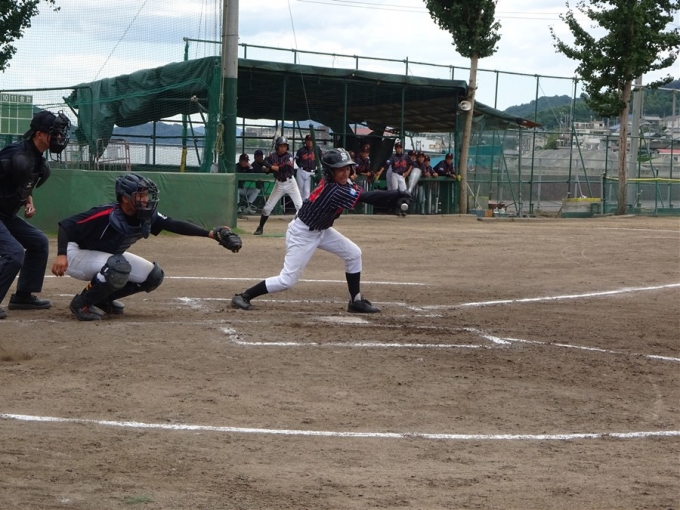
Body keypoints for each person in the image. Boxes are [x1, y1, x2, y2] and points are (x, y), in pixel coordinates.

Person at [230, 148, 411, 314]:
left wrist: (394, 200)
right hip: (302, 233)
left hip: (321, 230)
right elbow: (366, 197)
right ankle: (244, 296)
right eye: (340, 170)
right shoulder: (333, 190)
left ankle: (356, 301)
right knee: (287, 281)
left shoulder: (343, 183)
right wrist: (397, 194)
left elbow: (365, 194)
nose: (345, 173)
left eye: (347, 168)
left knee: (353, 254)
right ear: (330, 172)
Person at [51, 173, 240, 321]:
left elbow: (173, 224)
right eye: (140, 195)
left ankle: (102, 299)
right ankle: (81, 303)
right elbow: (66, 226)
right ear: (125, 198)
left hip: (105, 257)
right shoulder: (105, 214)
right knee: (117, 268)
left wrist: (210, 234)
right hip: (75, 254)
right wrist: (61, 255)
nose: (145, 199)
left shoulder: (146, 215)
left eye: (146, 195)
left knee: (153, 276)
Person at [0, 110, 71, 319]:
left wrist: (27, 201)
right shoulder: (15, 153)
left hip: (6, 214)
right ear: (39, 134)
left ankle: (23, 296)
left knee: (38, 242)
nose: (59, 137)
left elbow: (20, 183)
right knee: (14, 253)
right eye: (54, 133)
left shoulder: (37, 159)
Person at [253, 136, 303, 236]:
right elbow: (266, 169)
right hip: (279, 184)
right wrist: (266, 168)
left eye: (285, 146)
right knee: (267, 208)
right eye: (281, 146)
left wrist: (269, 165)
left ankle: (301, 229)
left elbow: (283, 169)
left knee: (300, 206)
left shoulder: (289, 156)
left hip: (290, 183)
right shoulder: (272, 156)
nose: (283, 148)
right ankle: (260, 227)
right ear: (277, 147)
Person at [295, 134, 322, 201]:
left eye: (311, 140)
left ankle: (305, 206)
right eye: (308, 140)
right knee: (300, 191)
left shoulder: (317, 149)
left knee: (307, 191)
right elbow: (297, 161)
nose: (310, 142)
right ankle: (300, 206)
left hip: (311, 172)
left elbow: (321, 159)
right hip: (301, 171)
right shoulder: (301, 150)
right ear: (305, 141)